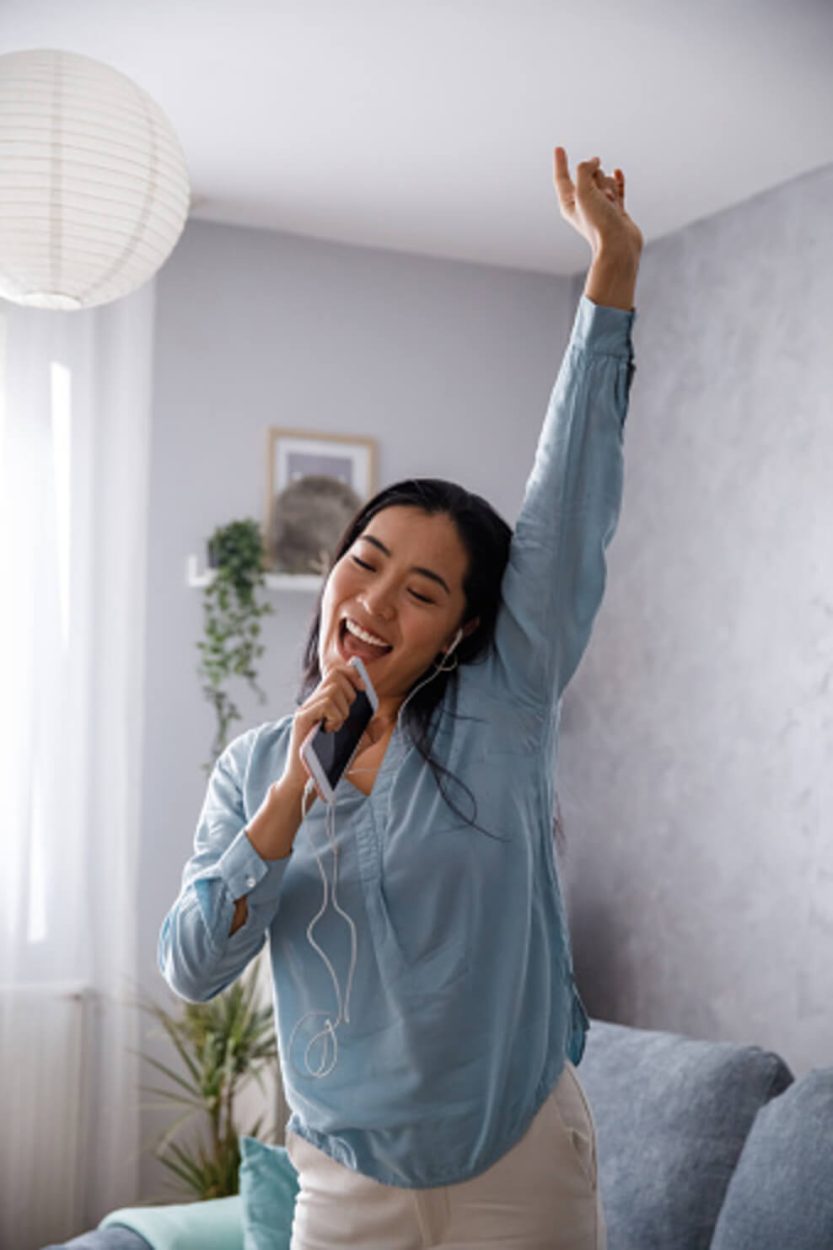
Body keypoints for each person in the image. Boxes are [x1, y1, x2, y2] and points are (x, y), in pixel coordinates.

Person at [159, 146, 642, 1249]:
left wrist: (608, 277)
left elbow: (568, 501)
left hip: (519, 1164)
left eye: (420, 588)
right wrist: (283, 801)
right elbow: (192, 963)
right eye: (363, 561)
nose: (373, 600)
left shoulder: (502, 712)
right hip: (342, 1179)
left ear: (465, 626)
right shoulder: (249, 766)